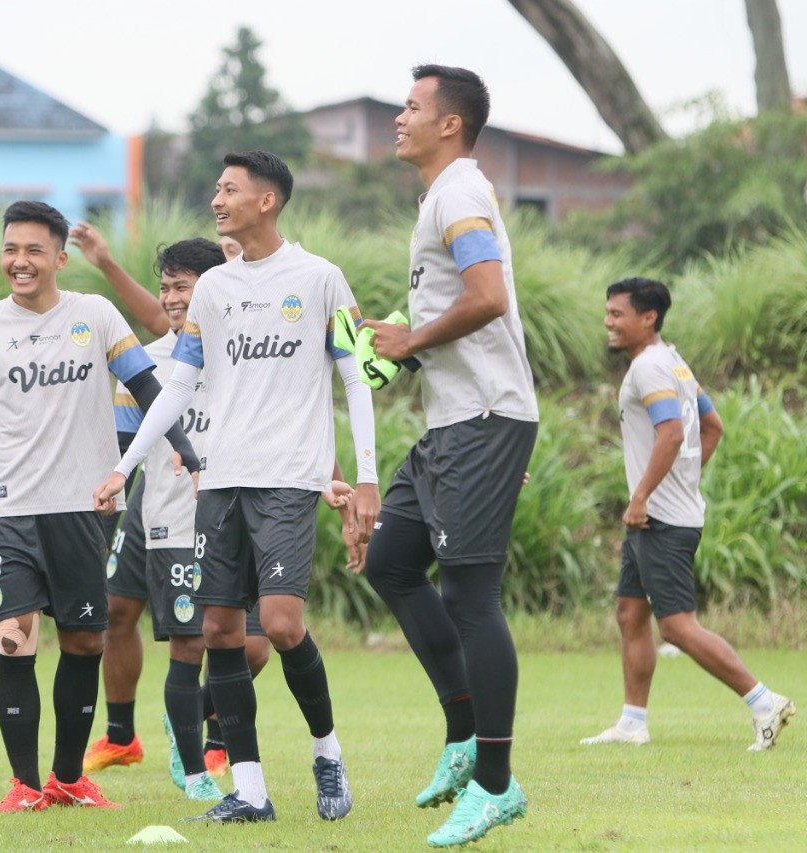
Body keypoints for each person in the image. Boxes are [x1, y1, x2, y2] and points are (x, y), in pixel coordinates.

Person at [95, 150, 381, 824]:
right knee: (220, 629)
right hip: (218, 483)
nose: (216, 199)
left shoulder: (321, 278)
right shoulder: (216, 289)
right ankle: (249, 789)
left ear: (268, 201)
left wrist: (365, 476)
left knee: (280, 623)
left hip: (287, 478)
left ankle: (327, 750)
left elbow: (357, 375)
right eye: (215, 189)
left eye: (229, 190)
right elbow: (180, 384)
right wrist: (125, 464)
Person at [0, 200, 200, 813]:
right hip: (7, 510)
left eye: (34, 250)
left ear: (59, 258)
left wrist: (188, 454)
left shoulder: (93, 315)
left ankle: (67, 778)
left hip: (84, 509)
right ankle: (22, 784)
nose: (20, 261)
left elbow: (149, 387)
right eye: (11, 249)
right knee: (12, 640)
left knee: (84, 644)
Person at [357, 65, 538, 848]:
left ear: (450, 124)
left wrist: (412, 339)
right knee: (392, 561)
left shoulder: (460, 192)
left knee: (470, 594)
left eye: (411, 107)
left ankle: (496, 784)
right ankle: (466, 733)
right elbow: (450, 303)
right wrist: (392, 345)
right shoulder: (441, 196)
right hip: (450, 423)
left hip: (484, 418)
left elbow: (489, 294)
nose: (399, 118)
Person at [67, 224, 274, 796]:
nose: (173, 299)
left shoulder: (247, 349)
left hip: (245, 514)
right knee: (185, 642)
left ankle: (195, 721)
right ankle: (191, 769)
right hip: (172, 522)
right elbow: (120, 447)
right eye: (168, 288)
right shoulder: (147, 366)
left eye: (184, 286)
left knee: (255, 642)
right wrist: (106, 493)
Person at [581, 277, 795, 751]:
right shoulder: (671, 361)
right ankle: (633, 722)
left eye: (617, 314)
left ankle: (763, 701)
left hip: (659, 520)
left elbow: (673, 435)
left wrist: (642, 497)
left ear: (648, 317)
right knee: (630, 613)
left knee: (676, 625)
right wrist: (679, 484)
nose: (608, 322)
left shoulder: (649, 369)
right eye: (608, 312)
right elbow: (712, 427)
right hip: (660, 513)